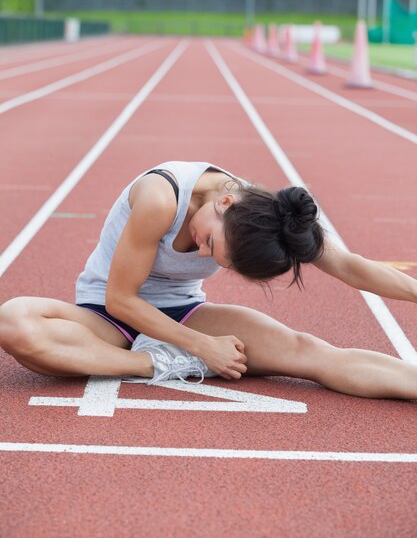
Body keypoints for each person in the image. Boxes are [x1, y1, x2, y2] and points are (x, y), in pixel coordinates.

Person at [1, 160, 417, 400]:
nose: (202, 254)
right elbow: (121, 300)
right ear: (224, 202)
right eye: (209, 242)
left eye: (217, 258)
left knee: (308, 351)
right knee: (13, 323)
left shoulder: (271, 219)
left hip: (185, 312)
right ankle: (157, 363)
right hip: (107, 317)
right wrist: (201, 348)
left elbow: (349, 266)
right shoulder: (159, 197)